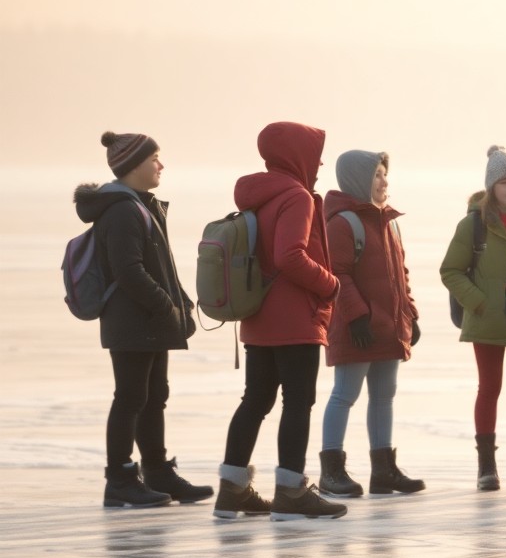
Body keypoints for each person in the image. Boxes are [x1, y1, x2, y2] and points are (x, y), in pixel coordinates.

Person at [214, 121, 347, 521]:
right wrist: (331, 285)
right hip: (294, 319)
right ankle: (291, 492)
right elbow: (290, 255)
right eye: (314, 154)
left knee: (255, 401)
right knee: (297, 403)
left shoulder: (259, 196)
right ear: (296, 156)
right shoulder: (297, 197)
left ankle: (231, 489)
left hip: (258, 316)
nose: (320, 162)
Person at [77, 131, 211, 508]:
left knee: (153, 397)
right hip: (132, 319)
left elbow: (161, 267)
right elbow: (129, 271)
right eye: (155, 158)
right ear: (134, 166)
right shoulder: (122, 210)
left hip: (148, 319)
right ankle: (119, 479)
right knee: (131, 397)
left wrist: (180, 304)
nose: (161, 165)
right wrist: (166, 308)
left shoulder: (141, 204)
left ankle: (157, 472)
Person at [317, 150, 425, 499]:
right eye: (377, 175)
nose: (384, 182)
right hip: (356, 327)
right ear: (358, 180)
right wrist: (357, 315)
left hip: (389, 325)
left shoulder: (388, 221)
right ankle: (331, 470)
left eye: (384, 174)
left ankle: (384, 470)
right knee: (345, 394)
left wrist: (410, 312)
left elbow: (400, 275)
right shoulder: (342, 222)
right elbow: (338, 273)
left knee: (384, 396)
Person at [440, 146, 506, 491]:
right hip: (487, 322)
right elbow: (451, 270)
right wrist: (478, 302)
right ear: (491, 186)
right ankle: (487, 466)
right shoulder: (473, 225)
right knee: (489, 388)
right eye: (504, 182)